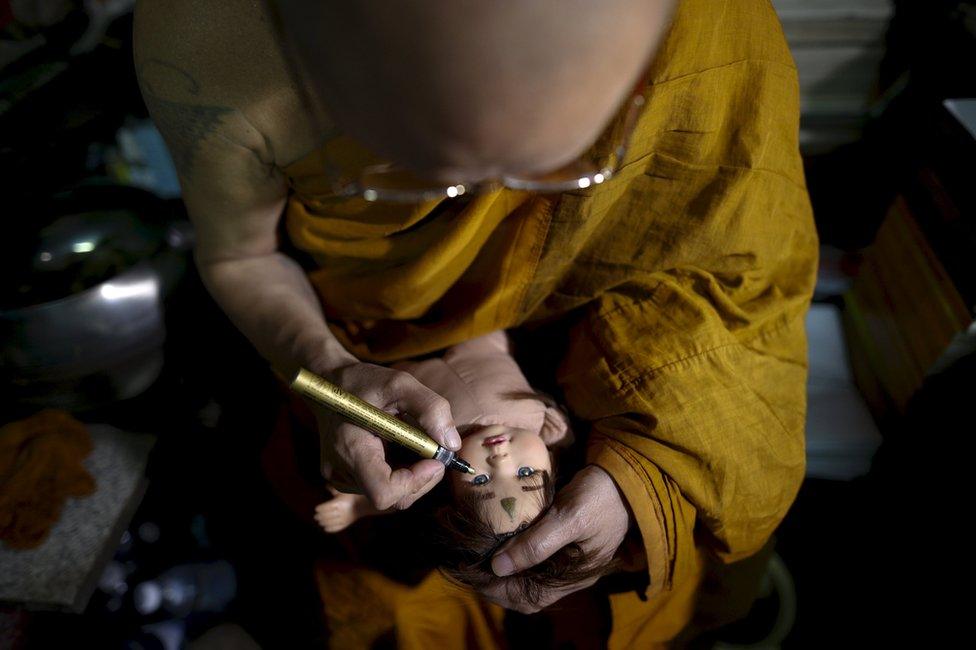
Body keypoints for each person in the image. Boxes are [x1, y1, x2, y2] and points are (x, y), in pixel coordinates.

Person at [133, 0, 819, 646]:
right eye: (415, 177)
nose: (493, 207)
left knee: (683, 564)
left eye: (572, 162)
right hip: (371, 341)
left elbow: (741, 272)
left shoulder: (711, 29)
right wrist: (330, 374)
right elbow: (240, 257)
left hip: (639, 366)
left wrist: (639, 481)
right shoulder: (211, 43)